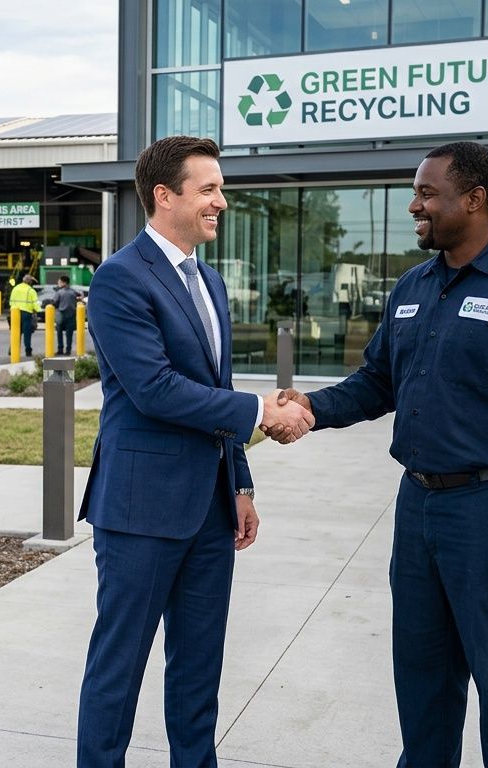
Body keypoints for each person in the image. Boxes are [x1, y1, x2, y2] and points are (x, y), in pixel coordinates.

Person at [272, 141, 488, 768]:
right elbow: (378, 383)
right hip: (418, 507)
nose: (413, 205)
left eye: (427, 193)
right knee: (421, 678)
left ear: (474, 200)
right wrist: (309, 408)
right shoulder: (414, 287)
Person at [75, 135, 313, 768]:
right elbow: (154, 389)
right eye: (208, 189)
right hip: (140, 509)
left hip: (210, 509)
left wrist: (240, 484)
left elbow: (216, 387)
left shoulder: (207, 280)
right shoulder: (120, 279)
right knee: (118, 667)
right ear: (164, 196)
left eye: (219, 188)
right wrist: (262, 412)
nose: (221, 202)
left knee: (200, 664)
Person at [45, 275, 80, 354]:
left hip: (61, 315)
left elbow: (54, 303)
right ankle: (68, 350)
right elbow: (79, 298)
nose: (58, 283)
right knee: (69, 334)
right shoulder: (73, 292)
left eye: (59, 282)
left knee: (59, 333)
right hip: (71, 316)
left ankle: (60, 349)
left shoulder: (59, 292)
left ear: (64, 282)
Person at [8, 274, 39, 357]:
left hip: (15, 313)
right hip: (26, 314)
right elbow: (35, 304)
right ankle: (28, 351)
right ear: (30, 282)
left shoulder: (15, 288)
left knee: (15, 332)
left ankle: (12, 350)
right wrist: (37, 311)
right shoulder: (31, 290)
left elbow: (11, 302)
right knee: (27, 334)